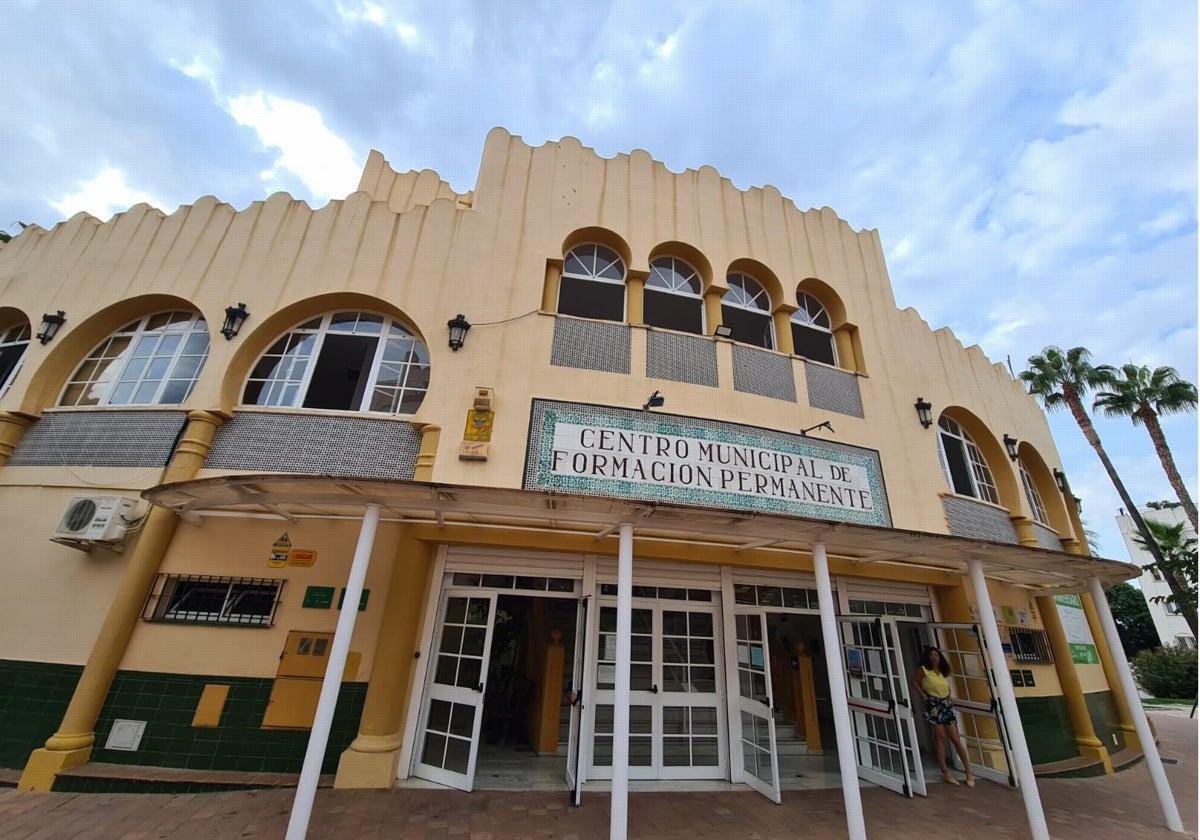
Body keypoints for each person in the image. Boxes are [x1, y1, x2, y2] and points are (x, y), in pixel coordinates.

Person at [911, 645, 975, 787]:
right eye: (932, 655)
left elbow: (946, 686)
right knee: (940, 738)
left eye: (937, 655)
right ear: (927, 658)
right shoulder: (924, 670)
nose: (934, 657)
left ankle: (968, 772)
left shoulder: (942, 672)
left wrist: (949, 697)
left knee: (955, 738)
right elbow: (914, 682)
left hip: (945, 704)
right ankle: (944, 771)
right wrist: (923, 696)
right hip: (933, 703)